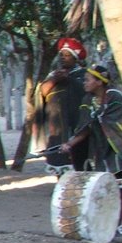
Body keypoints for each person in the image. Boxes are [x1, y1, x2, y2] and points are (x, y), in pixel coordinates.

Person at [60, 65, 122, 236]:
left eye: (88, 79)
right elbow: (85, 128)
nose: (84, 83)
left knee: (121, 187)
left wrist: (101, 118)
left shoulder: (115, 98)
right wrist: (70, 144)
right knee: (102, 187)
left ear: (99, 81)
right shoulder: (88, 101)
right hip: (99, 149)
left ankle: (116, 226)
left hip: (120, 149)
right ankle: (104, 223)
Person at [33, 37, 89, 172]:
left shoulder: (84, 75)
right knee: (60, 163)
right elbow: (42, 92)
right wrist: (55, 80)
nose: (63, 58)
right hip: (57, 128)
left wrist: (69, 80)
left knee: (81, 163)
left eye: (68, 55)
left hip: (78, 124)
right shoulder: (53, 75)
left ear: (76, 58)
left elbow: (87, 93)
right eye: (61, 55)